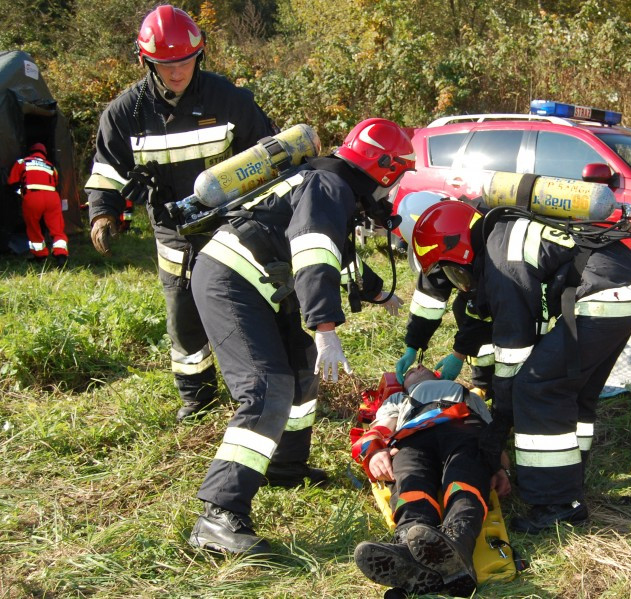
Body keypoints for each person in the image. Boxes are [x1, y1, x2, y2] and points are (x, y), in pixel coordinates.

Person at [187, 117, 412, 556]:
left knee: (300, 373)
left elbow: (333, 257)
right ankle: (218, 514)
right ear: (385, 168)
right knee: (266, 388)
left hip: (264, 284)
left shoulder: (332, 184)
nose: (395, 188)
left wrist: (378, 291)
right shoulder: (330, 188)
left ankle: (286, 466)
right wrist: (325, 329)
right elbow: (313, 253)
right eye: (398, 175)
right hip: (231, 280)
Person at [411, 201, 631, 533]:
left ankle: (556, 503)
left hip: (605, 295)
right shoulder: (498, 236)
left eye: (455, 271)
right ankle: (569, 474)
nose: (459, 283)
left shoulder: (501, 263)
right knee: (572, 387)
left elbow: (515, 348)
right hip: (630, 285)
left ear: (463, 247)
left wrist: (500, 424)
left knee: (537, 387)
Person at [84, 5, 276, 422]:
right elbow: (105, 172)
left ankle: (259, 386)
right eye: (166, 64)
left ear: (199, 56)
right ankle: (198, 397)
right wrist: (103, 214)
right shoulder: (124, 113)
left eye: (185, 61)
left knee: (246, 304)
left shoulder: (229, 100)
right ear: (146, 61)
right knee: (183, 314)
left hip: (231, 225)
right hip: (172, 233)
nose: (177, 72)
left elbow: (268, 154)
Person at [352, 365, 510, 596]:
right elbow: (381, 427)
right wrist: (376, 452)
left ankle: (458, 540)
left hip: (464, 429)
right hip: (413, 437)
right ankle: (410, 545)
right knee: (411, 485)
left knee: (464, 481)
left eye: (420, 366)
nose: (418, 365)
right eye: (409, 371)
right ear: (405, 384)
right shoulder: (399, 398)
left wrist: (500, 467)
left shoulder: (466, 393)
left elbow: (492, 433)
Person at [392, 192, 494, 394]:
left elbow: (485, 303)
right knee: (462, 308)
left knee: (470, 312)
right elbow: (429, 297)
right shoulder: (441, 236)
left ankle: (492, 384)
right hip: (481, 290)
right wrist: (413, 345)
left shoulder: (483, 226)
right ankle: (484, 383)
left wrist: (459, 354)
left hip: (506, 290)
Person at [6, 143, 68, 267]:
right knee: (57, 228)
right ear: (45, 154)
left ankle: (40, 255)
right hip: (52, 197)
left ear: (30, 152)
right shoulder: (51, 166)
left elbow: (12, 183)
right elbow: (56, 183)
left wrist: (22, 194)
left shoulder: (22, 162)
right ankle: (61, 255)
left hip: (32, 197)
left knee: (33, 227)